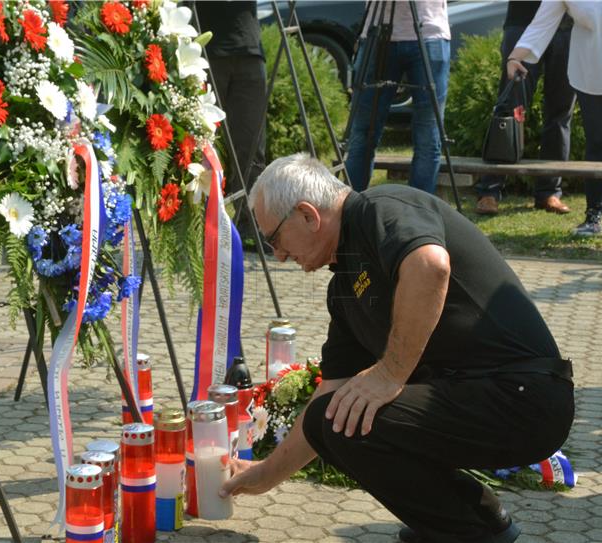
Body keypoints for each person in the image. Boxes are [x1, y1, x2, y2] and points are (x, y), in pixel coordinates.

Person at [222, 153, 574, 543]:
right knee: (335, 417)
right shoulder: (344, 286)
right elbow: (330, 389)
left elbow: (429, 266)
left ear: (308, 215)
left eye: (273, 239)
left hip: (525, 398)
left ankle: (470, 532)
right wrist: (264, 474)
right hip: (483, 398)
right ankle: (471, 521)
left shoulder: (381, 208)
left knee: (341, 416)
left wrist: (390, 374)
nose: (279, 255)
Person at [507, 0, 602, 236]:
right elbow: (542, 23)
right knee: (599, 144)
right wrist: (515, 57)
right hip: (591, 73)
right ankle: (594, 216)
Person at [475, 1, 574, 216]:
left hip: (566, 27)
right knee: (510, 110)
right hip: (522, 24)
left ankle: (549, 192)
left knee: (560, 114)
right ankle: (490, 190)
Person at [345, 0, 450, 194]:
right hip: (377, 32)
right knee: (363, 131)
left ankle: (418, 214)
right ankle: (350, 210)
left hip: (429, 32)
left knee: (428, 134)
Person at [194, 1, 267, 239]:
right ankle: (198, 226)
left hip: (248, 50)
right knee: (199, 147)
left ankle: (252, 224)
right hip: (204, 53)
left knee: (251, 148)